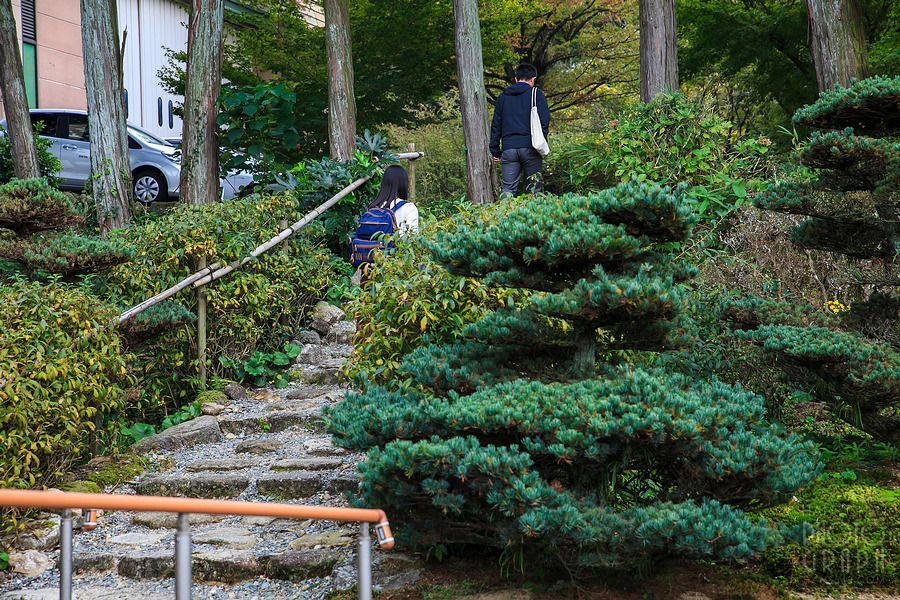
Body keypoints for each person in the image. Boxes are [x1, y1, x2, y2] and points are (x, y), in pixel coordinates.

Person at [489, 63, 551, 198]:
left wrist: (495, 151)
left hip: (509, 149)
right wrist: (541, 143)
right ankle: (533, 219)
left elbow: (496, 125)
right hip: (531, 148)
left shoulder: (503, 97)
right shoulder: (536, 94)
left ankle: (503, 217)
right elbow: (544, 121)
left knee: (508, 189)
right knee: (534, 189)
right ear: (533, 79)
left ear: (516, 80)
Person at [364, 164, 419, 236]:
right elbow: (413, 239)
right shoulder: (409, 208)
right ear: (404, 184)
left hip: (370, 247)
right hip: (396, 246)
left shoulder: (372, 207)